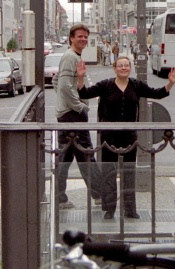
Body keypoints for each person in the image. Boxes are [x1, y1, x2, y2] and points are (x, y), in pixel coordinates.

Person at [77, 55, 175, 220]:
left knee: (129, 173)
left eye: (126, 65)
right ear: (115, 68)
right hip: (108, 136)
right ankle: (109, 209)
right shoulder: (106, 85)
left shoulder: (136, 85)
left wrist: (170, 83)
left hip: (129, 136)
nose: (124, 68)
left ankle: (130, 209)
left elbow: (157, 93)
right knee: (109, 173)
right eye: (120, 65)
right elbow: (85, 93)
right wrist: (80, 78)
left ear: (129, 68)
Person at [55, 23, 102, 210]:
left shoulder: (73, 56)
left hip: (66, 114)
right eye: (79, 36)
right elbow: (65, 86)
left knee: (65, 156)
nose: (83, 39)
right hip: (72, 115)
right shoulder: (70, 57)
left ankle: (60, 197)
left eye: (85, 37)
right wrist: (80, 106)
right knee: (86, 154)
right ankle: (101, 195)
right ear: (71, 38)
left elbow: (58, 80)